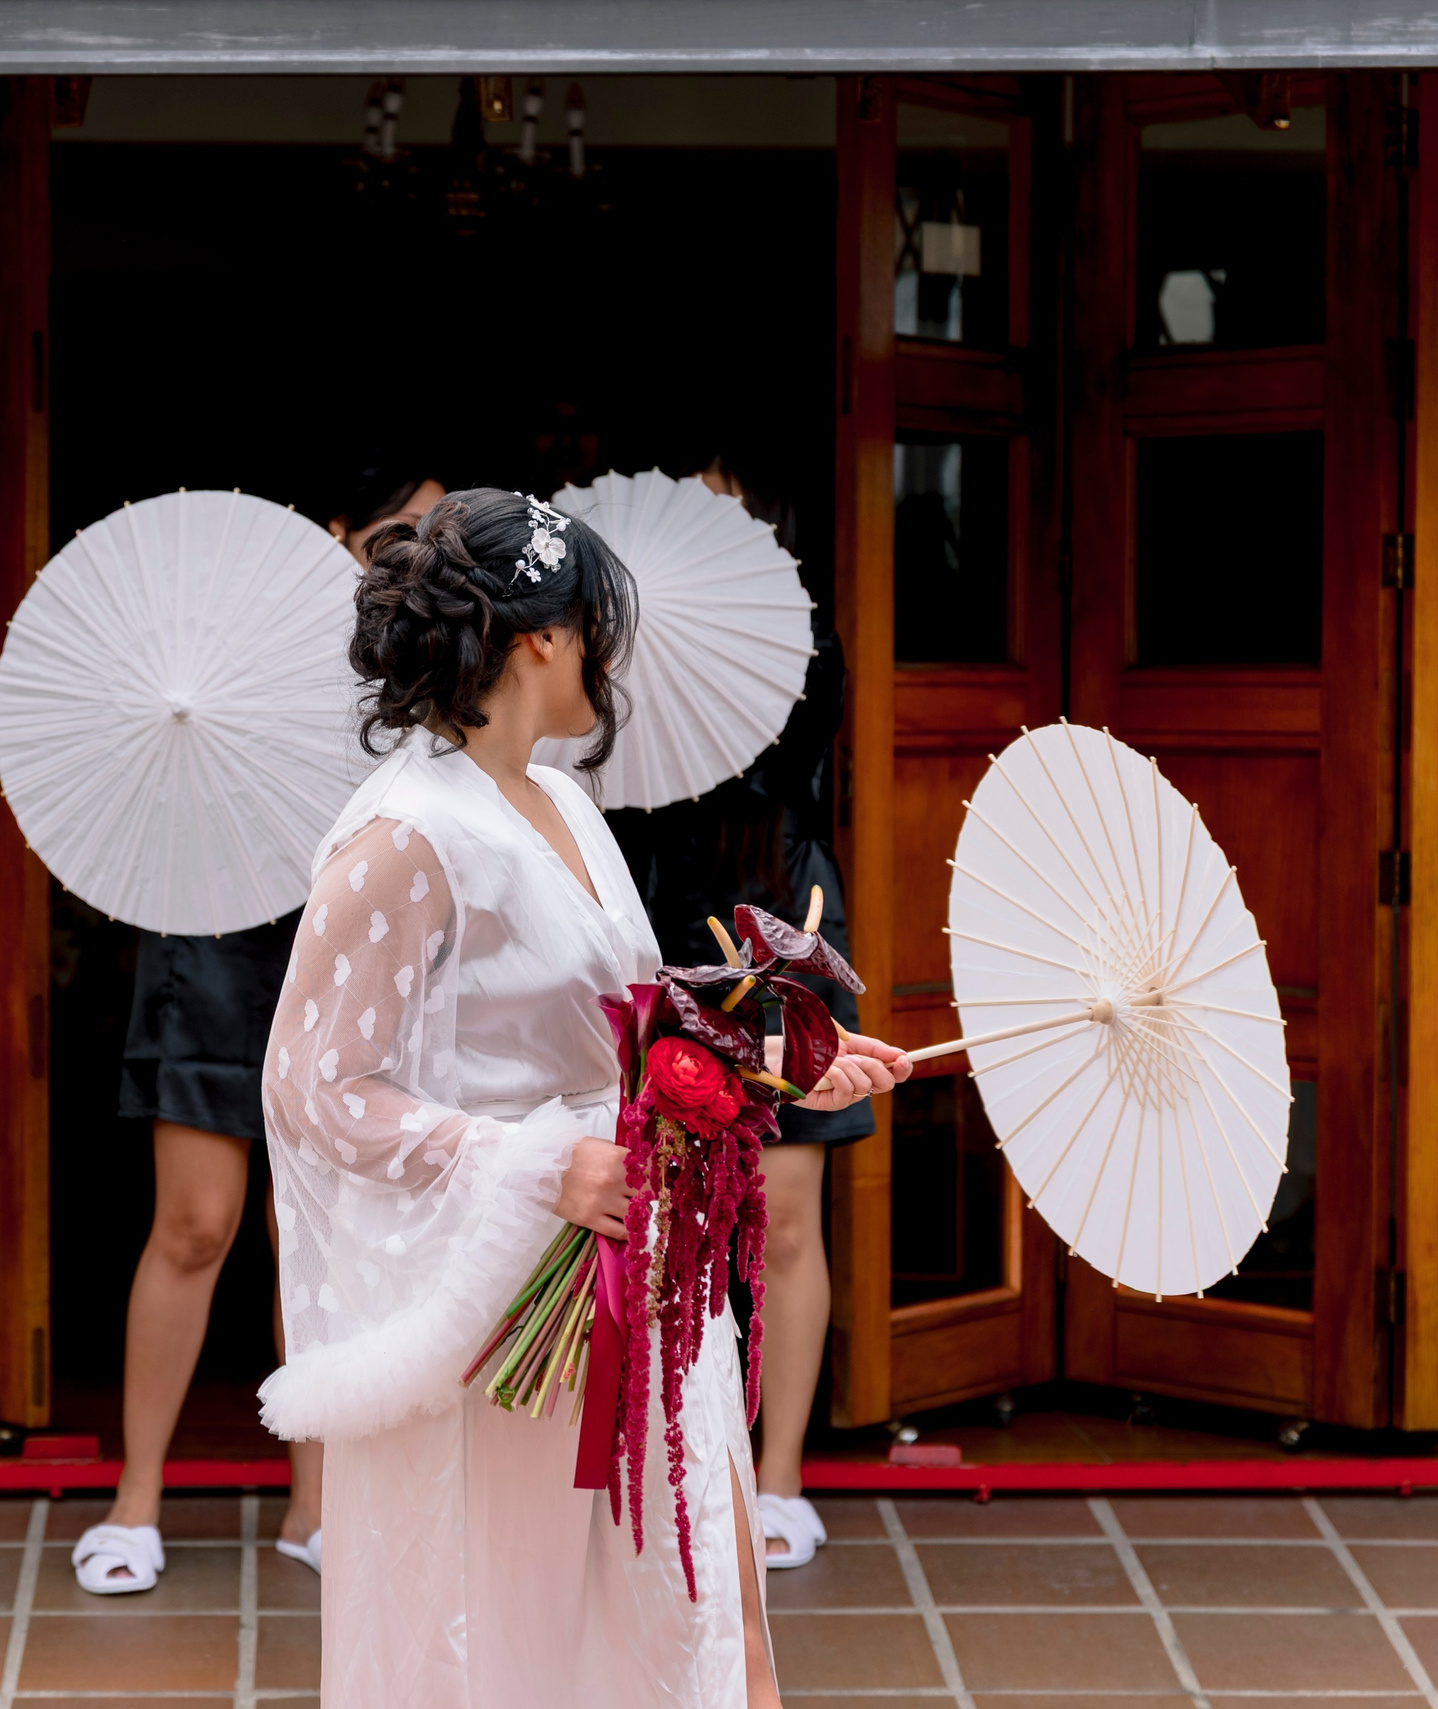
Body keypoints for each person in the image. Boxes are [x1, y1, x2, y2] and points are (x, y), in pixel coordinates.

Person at [257, 489, 908, 1707]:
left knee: (704, 1612)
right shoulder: (405, 832)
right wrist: (529, 1163)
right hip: (519, 1310)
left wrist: (780, 1052)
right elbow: (312, 1087)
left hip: (640, 1262)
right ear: (541, 639)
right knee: (521, 1627)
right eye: (596, 627)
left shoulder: (556, 798)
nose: (611, 656)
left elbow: (626, 1016)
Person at [71, 470, 444, 1597]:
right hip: (215, 932)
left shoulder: (417, 659)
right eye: (394, 534)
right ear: (335, 530)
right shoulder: (231, 637)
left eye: (430, 541)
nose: (410, 559)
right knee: (195, 1220)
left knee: (316, 1229)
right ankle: (137, 1497)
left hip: (344, 938)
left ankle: (317, 1505)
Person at [606, 449, 872, 1572]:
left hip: (781, 906)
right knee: (653, 1186)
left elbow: (807, 775)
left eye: (725, 516)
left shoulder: (805, 641)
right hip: (655, 907)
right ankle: (656, 1454)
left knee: (791, 1203)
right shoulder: (613, 646)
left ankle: (780, 1476)